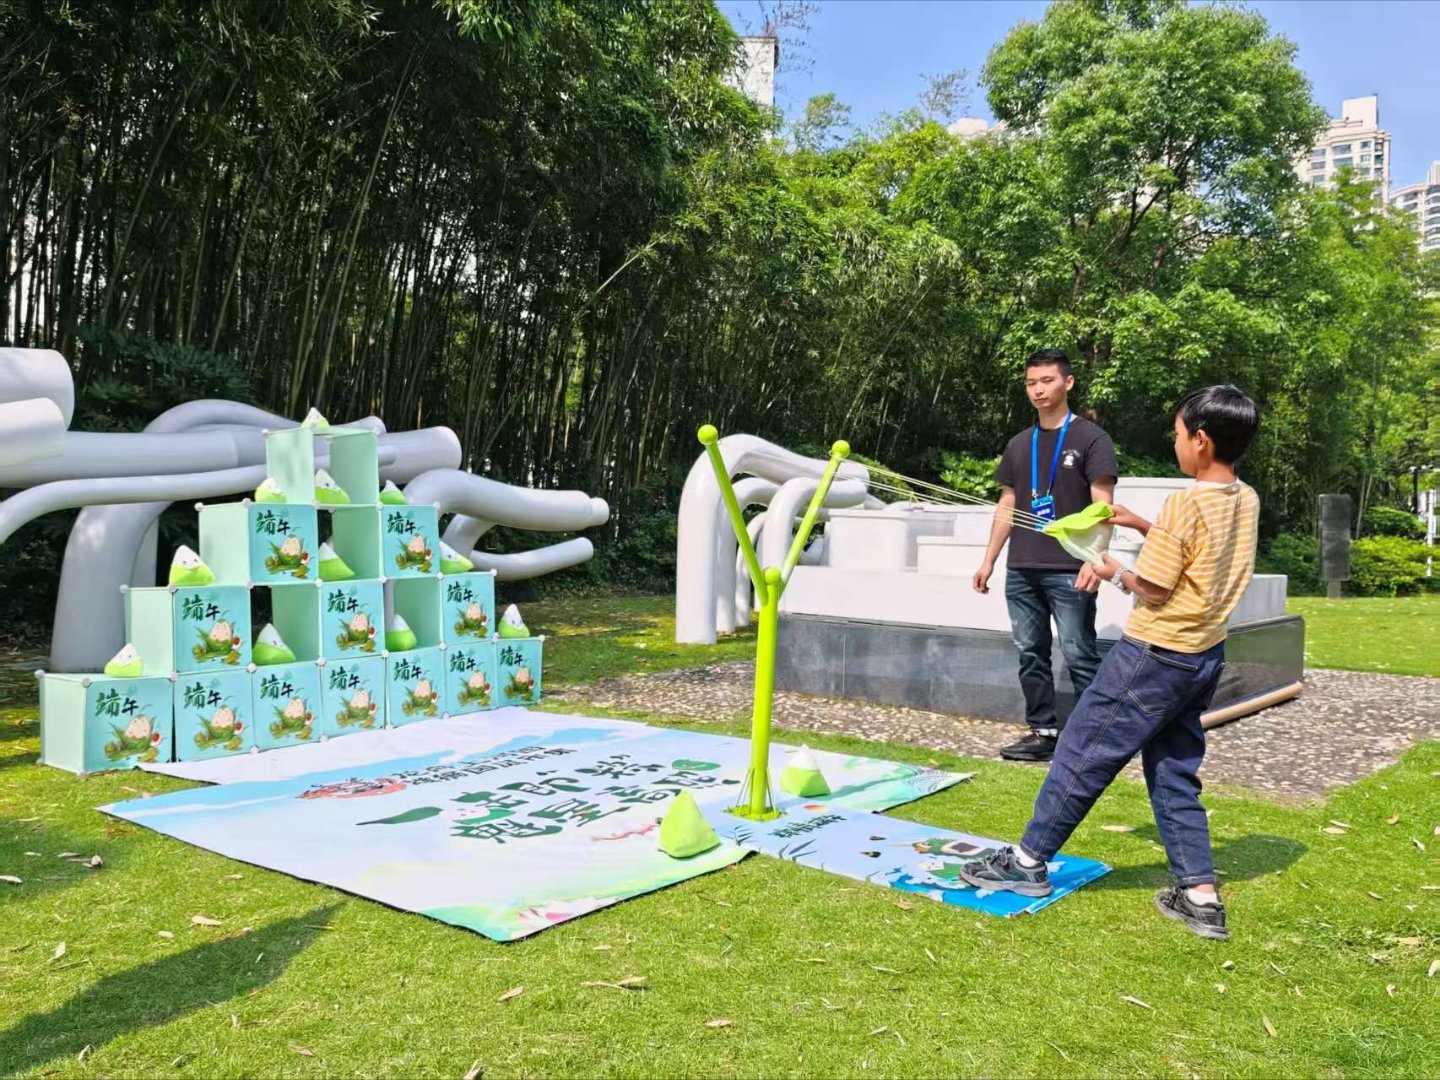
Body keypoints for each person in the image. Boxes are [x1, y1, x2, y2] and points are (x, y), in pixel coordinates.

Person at [959, 385, 1262, 941]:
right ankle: (1200, 897)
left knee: (1082, 751)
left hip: (1154, 654)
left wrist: (1110, 569)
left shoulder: (1187, 502)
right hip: (1202, 657)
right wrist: (1143, 526)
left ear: (1200, 439)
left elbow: (1155, 586)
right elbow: (1200, 557)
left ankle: (1027, 862)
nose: (1175, 443)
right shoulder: (1245, 498)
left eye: (1178, 434)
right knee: (1173, 770)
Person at [974, 349, 1117, 762]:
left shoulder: (1091, 439)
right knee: (1030, 653)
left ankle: (1094, 740)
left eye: (1047, 381)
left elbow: (1104, 507)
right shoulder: (1020, 443)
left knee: (1079, 652)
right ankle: (1043, 733)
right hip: (1022, 568)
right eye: (1031, 383)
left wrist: (1095, 559)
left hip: (1070, 567)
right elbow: (1008, 504)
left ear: (1068, 382)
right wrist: (989, 560)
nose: (1038, 390)